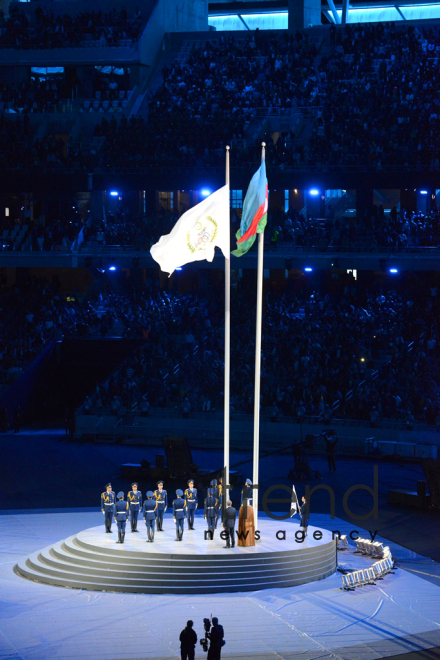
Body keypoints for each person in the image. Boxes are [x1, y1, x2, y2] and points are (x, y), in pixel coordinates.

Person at [238, 478, 255, 547]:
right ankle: (250, 540)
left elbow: (242, 498)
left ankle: (243, 540)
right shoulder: (252, 490)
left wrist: (241, 505)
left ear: (247, 483)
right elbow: (253, 499)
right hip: (250, 506)